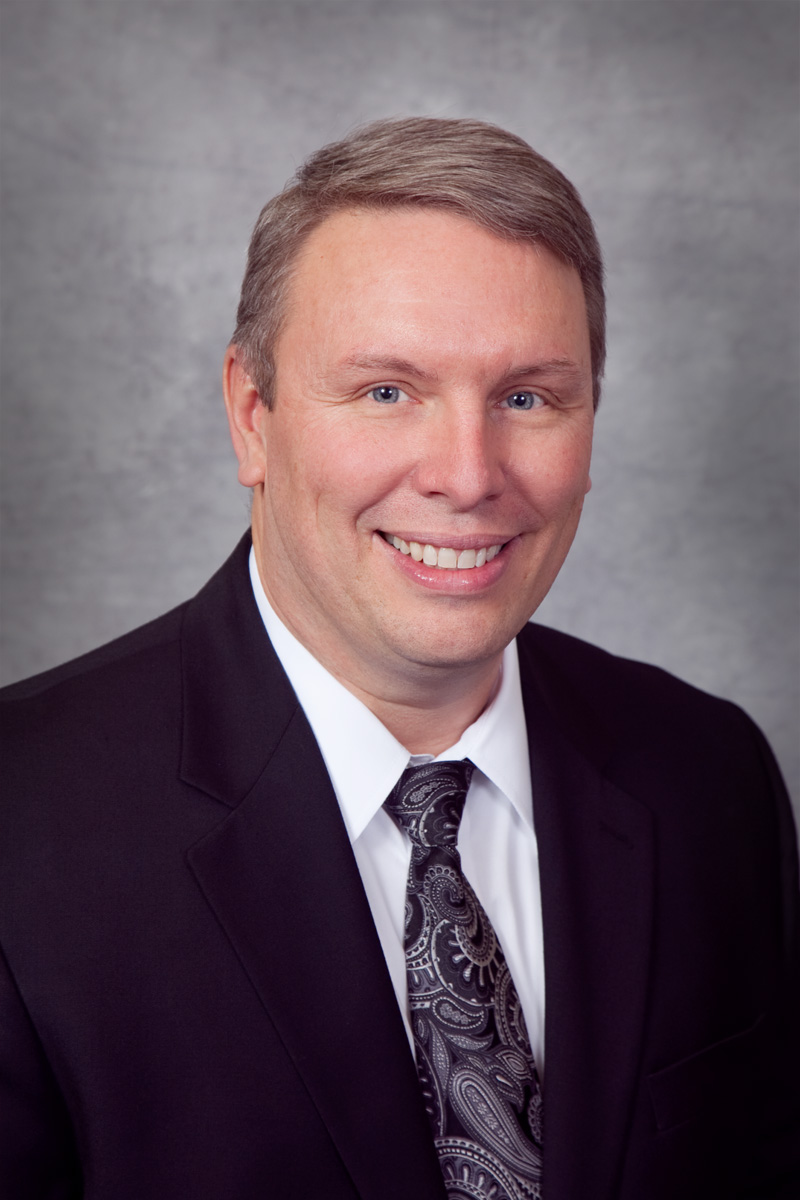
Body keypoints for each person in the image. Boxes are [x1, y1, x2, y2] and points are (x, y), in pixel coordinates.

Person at [1, 118, 797, 1200]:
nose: (467, 475)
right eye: (386, 391)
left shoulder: (707, 773)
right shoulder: (22, 820)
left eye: (527, 397)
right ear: (251, 415)